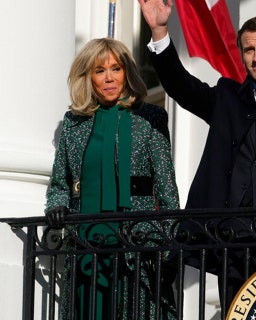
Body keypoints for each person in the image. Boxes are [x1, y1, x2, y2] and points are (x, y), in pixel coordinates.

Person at [138, 0, 256, 311]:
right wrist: (160, 30)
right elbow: (180, 85)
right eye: (249, 50)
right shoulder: (226, 97)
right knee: (235, 313)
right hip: (230, 239)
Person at [45, 38, 180, 319]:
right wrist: (56, 207)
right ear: (89, 77)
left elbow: (167, 189)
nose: (109, 78)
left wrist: (169, 245)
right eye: (99, 71)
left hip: (138, 238)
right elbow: (60, 183)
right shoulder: (73, 122)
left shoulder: (151, 117)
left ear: (127, 73)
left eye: (116, 69)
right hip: (86, 238)